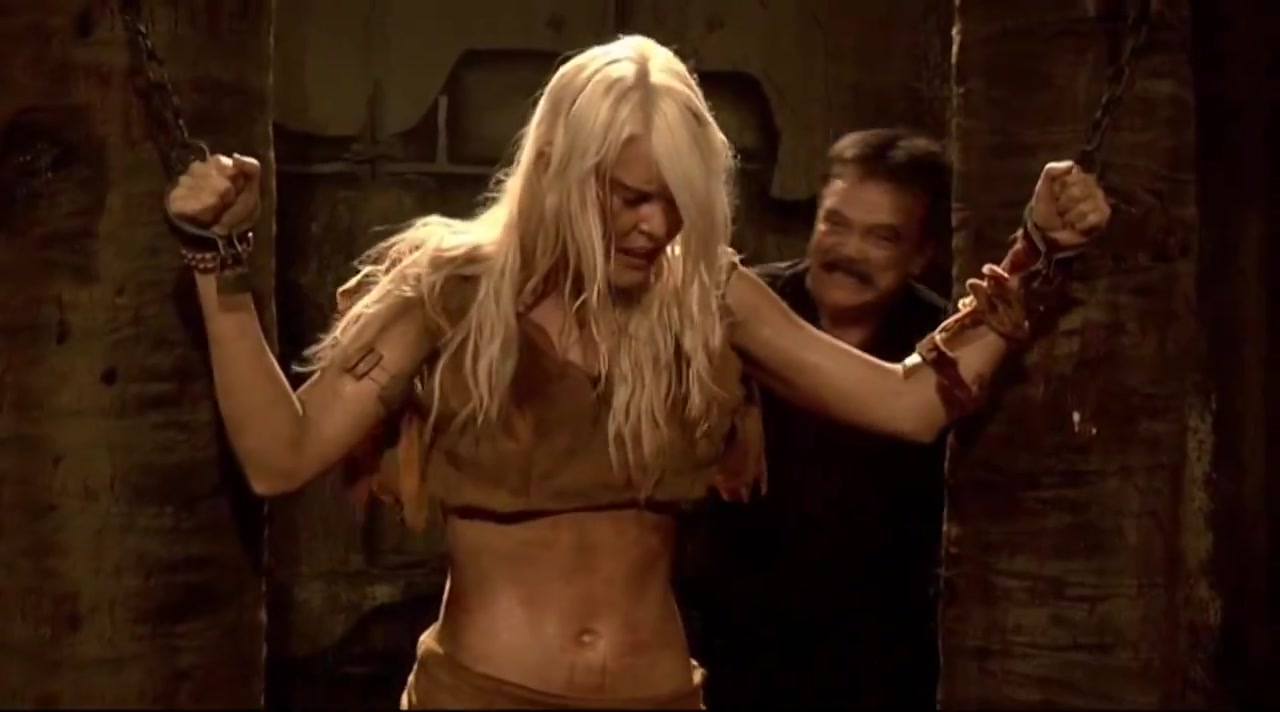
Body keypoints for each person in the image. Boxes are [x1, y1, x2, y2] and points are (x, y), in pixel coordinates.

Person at [164, 34, 1111, 711]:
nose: (656, 227)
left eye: (676, 202)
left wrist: (1037, 253)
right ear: (559, 170)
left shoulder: (706, 295)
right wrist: (218, 265)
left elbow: (908, 404)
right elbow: (280, 455)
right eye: (628, 198)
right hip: (482, 696)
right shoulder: (450, 292)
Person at [677, 128, 960, 708]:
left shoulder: (941, 348)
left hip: (881, 667)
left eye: (881, 236)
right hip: (726, 656)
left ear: (921, 255)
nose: (848, 251)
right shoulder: (742, 311)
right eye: (836, 223)